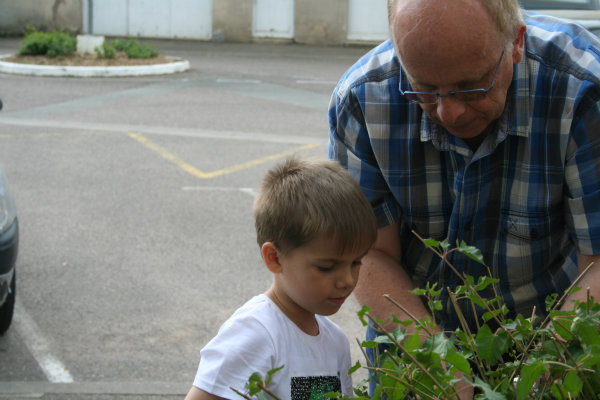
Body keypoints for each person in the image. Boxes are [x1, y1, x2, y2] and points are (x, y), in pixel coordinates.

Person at [329, 0, 600, 397]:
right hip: (413, 342)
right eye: (423, 88)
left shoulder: (583, 92)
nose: (450, 112)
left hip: (550, 334)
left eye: (471, 86)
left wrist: (541, 369)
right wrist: (438, 362)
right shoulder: (362, 99)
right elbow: (369, 254)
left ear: (516, 44)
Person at [185, 158, 378, 400]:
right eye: (327, 267)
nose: (347, 280)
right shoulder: (255, 333)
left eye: (356, 262)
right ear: (274, 258)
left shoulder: (335, 341)